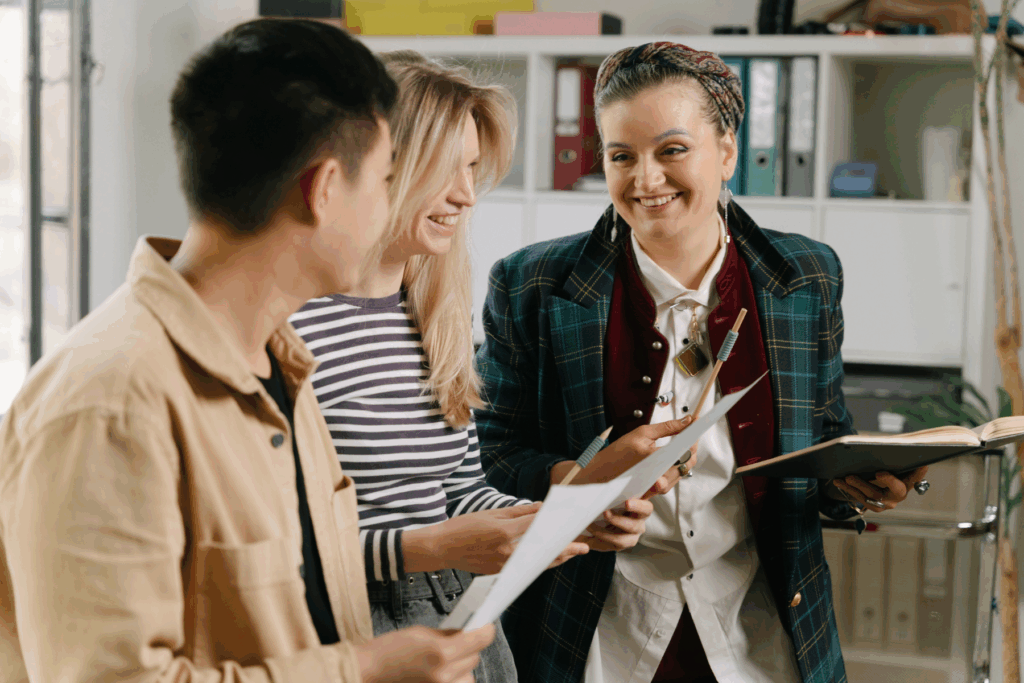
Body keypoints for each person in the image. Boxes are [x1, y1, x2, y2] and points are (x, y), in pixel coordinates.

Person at [0, 19, 494, 683]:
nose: (391, 209)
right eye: (384, 180)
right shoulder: (109, 401)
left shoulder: (279, 365)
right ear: (323, 190)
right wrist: (365, 670)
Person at [475, 42, 928, 683]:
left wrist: (853, 481)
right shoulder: (533, 284)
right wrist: (577, 484)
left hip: (761, 625)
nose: (645, 180)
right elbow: (493, 453)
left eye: (672, 150)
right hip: (593, 627)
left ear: (728, 153)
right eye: (620, 156)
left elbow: (819, 439)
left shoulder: (804, 277)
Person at [289, 51, 660, 682]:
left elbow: (460, 492)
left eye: (471, 170)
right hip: (346, 631)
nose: (465, 195)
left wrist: (556, 522)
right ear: (380, 167)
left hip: (464, 619)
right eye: (445, 170)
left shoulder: (433, 312)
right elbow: (271, 552)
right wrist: (427, 548)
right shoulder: (292, 326)